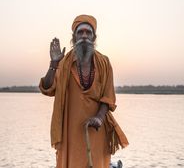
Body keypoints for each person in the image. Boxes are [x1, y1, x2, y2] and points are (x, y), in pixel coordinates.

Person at [39, 14, 129, 168]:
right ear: (74, 37)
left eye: (88, 32)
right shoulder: (64, 63)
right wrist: (54, 64)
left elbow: (108, 97)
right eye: (80, 32)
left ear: (94, 37)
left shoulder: (104, 62)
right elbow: (47, 88)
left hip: (96, 129)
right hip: (69, 132)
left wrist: (99, 118)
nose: (84, 36)